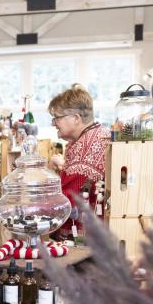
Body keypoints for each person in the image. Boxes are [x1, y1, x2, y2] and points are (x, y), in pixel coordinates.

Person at [48, 85, 110, 236]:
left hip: (88, 240)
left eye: (57, 118)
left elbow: (67, 200)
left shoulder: (88, 144)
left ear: (76, 118)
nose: (53, 123)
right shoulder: (95, 135)